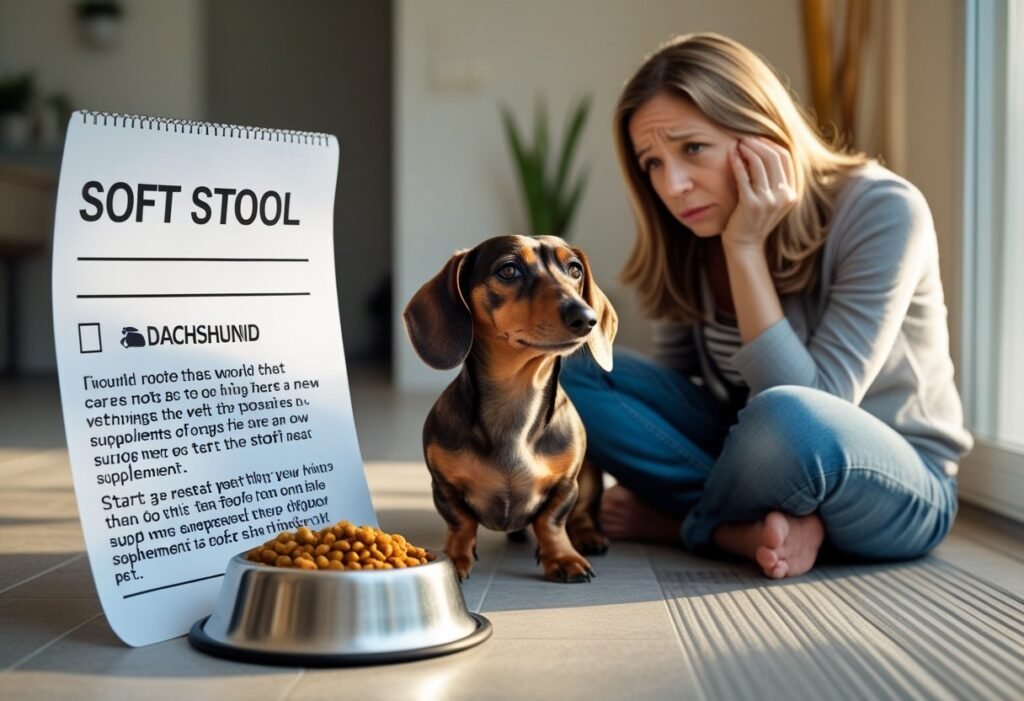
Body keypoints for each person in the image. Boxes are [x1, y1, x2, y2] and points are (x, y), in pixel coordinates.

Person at [560, 33, 972, 579]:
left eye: (692, 149)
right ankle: (755, 522)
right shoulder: (689, 232)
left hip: (895, 484)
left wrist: (745, 249)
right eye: (652, 163)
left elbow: (818, 402)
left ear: (761, 132)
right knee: (570, 362)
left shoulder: (884, 209)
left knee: (789, 415)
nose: (674, 185)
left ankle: (696, 527)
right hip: (755, 458)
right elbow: (678, 398)